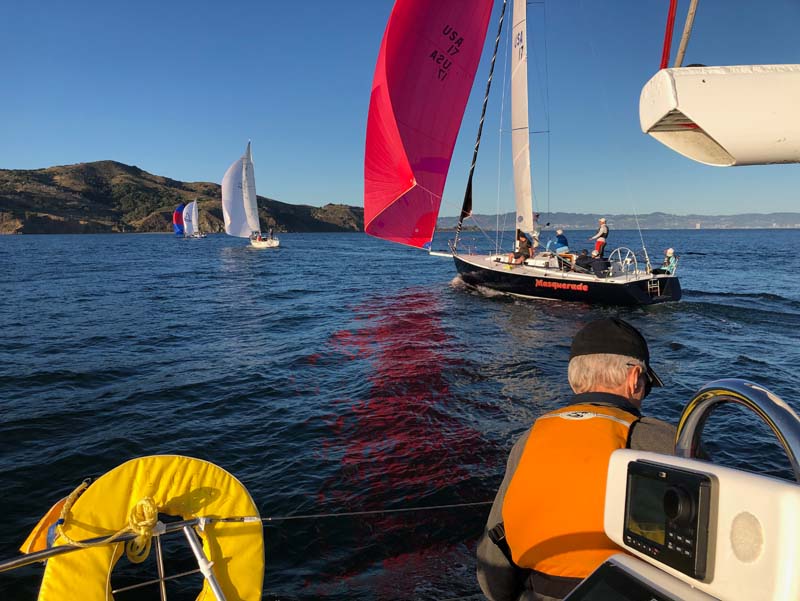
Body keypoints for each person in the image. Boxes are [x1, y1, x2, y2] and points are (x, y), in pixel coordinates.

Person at [476, 318, 676, 601]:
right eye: (646, 384)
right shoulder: (666, 443)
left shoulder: (528, 439)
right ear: (634, 379)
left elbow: (493, 559)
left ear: (574, 378)